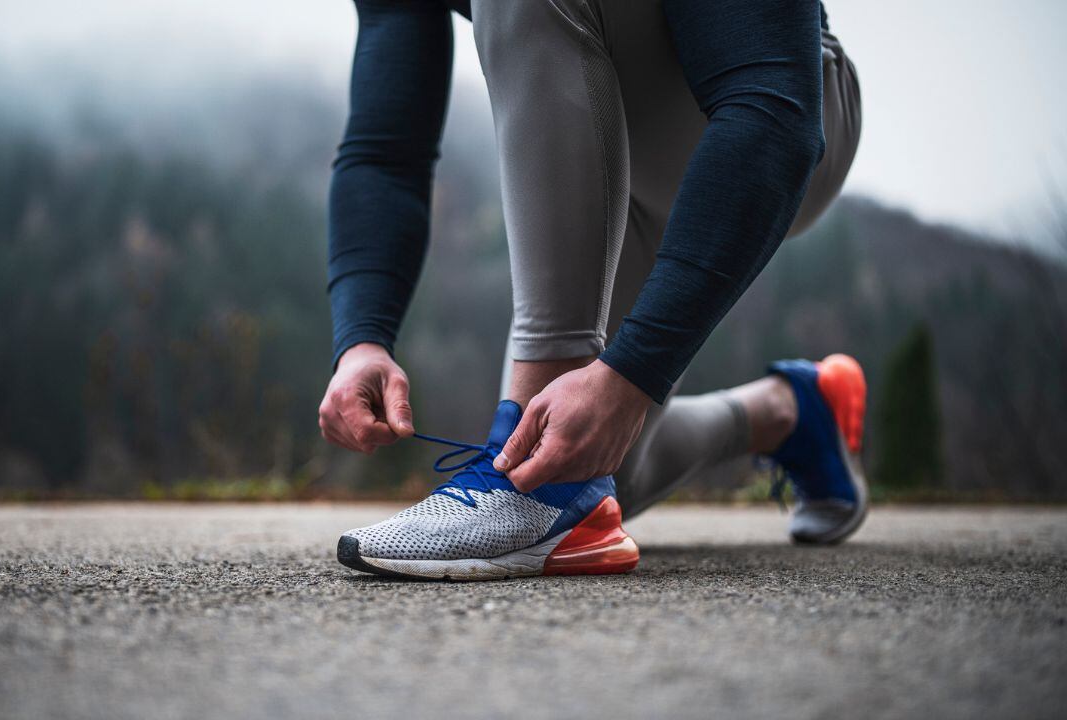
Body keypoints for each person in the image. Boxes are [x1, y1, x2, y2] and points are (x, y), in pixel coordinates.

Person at [321, 0, 865, 580]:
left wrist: (631, 377)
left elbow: (774, 106)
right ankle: (790, 411)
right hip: (610, 146)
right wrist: (363, 341)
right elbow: (386, 150)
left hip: (772, 110)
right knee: (592, 468)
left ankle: (540, 488)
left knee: (556, 477)